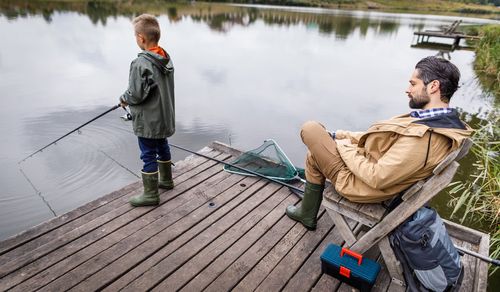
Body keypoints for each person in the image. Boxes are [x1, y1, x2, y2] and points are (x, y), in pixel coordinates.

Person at [286, 56, 473, 230]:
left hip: (361, 186)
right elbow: (380, 139)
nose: (408, 90)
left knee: (310, 129)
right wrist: (338, 135)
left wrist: (341, 146)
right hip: (368, 170)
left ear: (433, 86)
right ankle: (307, 214)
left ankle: (307, 214)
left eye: (413, 83)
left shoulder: (427, 137)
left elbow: (378, 176)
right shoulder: (437, 121)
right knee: (316, 150)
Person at [119, 14, 175, 207]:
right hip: (164, 117)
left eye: (135, 36)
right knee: (162, 146)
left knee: (148, 153)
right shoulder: (165, 58)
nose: (135, 39)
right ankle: (166, 180)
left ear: (141, 38)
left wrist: (124, 99)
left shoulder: (140, 63)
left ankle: (151, 195)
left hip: (149, 120)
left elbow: (135, 94)